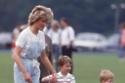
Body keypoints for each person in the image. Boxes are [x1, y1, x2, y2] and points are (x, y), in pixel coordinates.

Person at [12, 5, 56, 83]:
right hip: (22, 68)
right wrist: (25, 73)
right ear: (36, 20)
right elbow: (15, 55)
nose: (45, 24)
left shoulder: (41, 34)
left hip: (35, 67)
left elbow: (44, 57)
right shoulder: (25, 34)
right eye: (43, 21)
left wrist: (54, 73)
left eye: (46, 22)